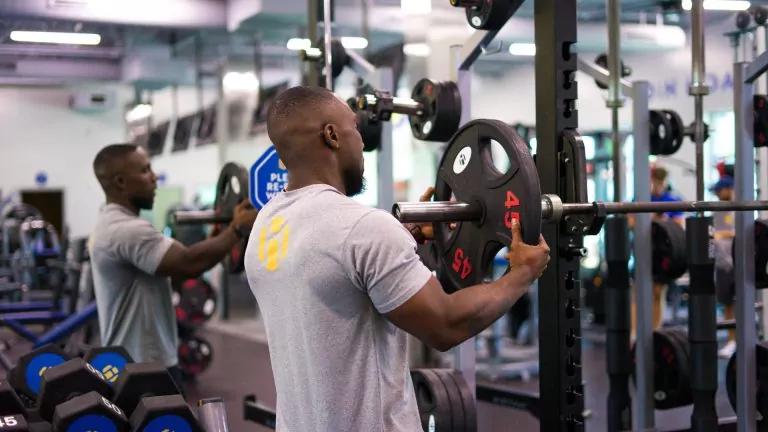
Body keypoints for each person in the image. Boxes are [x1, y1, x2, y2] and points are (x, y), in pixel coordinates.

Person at [244, 86, 551, 431]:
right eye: (355, 128)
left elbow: (333, 273)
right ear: (332, 135)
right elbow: (446, 324)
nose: (361, 143)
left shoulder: (267, 224)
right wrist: (521, 272)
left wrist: (403, 239)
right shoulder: (362, 229)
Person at [89, 143, 258, 394]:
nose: (154, 177)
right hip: (143, 367)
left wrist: (218, 238)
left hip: (139, 361)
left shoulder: (113, 223)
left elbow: (175, 271)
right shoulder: (126, 230)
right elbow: (188, 263)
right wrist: (236, 229)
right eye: (146, 170)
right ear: (121, 182)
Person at [630, 165, 686, 340]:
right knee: (638, 293)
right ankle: (634, 334)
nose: (659, 185)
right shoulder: (641, 199)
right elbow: (630, 222)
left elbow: (679, 225)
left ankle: (655, 333)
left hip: (662, 254)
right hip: (642, 250)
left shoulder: (672, 200)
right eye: (656, 181)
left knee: (657, 292)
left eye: (662, 181)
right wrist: (652, 218)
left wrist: (663, 221)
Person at [711, 174, 736, 358]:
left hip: (736, 264)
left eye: (721, 190)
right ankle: (732, 341)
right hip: (721, 264)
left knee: (738, 304)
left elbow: (742, 231)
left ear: (729, 190)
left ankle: (738, 340)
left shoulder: (738, 209)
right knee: (727, 305)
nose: (719, 193)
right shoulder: (717, 210)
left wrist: (722, 234)